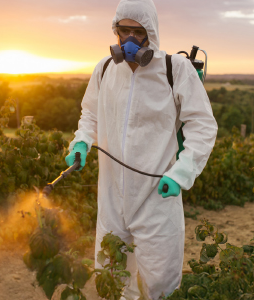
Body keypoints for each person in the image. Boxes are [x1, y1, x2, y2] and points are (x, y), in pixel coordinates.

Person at [64, 0, 218, 298]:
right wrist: (81, 140)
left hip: (156, 197)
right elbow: (90, 114)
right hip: (111, 196)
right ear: (115, 32)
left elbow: (202, 126)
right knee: (111, 276)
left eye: (139, 32)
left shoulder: (176, 70)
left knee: (158, 284)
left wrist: (181, 173)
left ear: (151, 34)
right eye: (124, 31)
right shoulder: (106, 68)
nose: (131, 40)